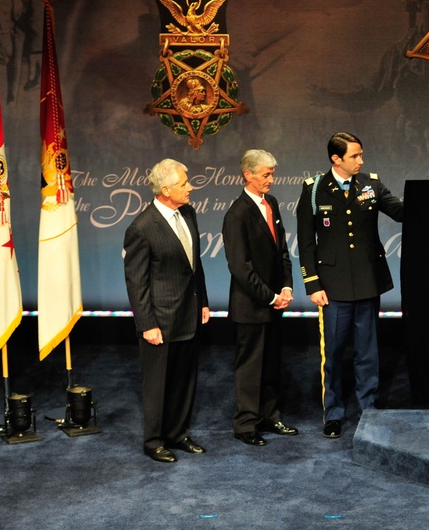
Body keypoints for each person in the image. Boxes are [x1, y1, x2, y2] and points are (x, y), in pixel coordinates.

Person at [297, 132, 404, 439]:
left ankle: (368, 410)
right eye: (355, 156)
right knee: (332, 353)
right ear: (336, 159)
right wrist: (312, 283)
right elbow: (306, 242)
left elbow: (399, 211)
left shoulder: (371, 184)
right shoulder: (315, 189)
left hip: (367, 282)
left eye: (361, 155)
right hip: (331, 287)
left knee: (368, 352)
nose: (361, 160)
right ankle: (333, 413)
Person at [123, 158, 211, 463]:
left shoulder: (188, 213)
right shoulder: (142, 227)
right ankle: (154, 441)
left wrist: (203, 301)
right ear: (165, 189)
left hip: (189, 313)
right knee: (157, 383)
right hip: (159, 320)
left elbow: (193, 265)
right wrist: (147, 323)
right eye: (184, 183)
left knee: (185, 379)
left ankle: (178, 433)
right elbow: (137, 282)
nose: (190, 187)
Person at [222, 149, 298, 447]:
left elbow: (282, 252)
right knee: (250, 368)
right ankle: (246, 424)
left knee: (271, 363)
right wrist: (271, 297)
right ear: (248, 175)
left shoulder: (272, 204)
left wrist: (288, 287)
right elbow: (241, 268)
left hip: (275, 303)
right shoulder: (237, 214)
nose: (271, 179)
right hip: (251, 306)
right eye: (265, 175)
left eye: (272, 174)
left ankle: (270, 415)